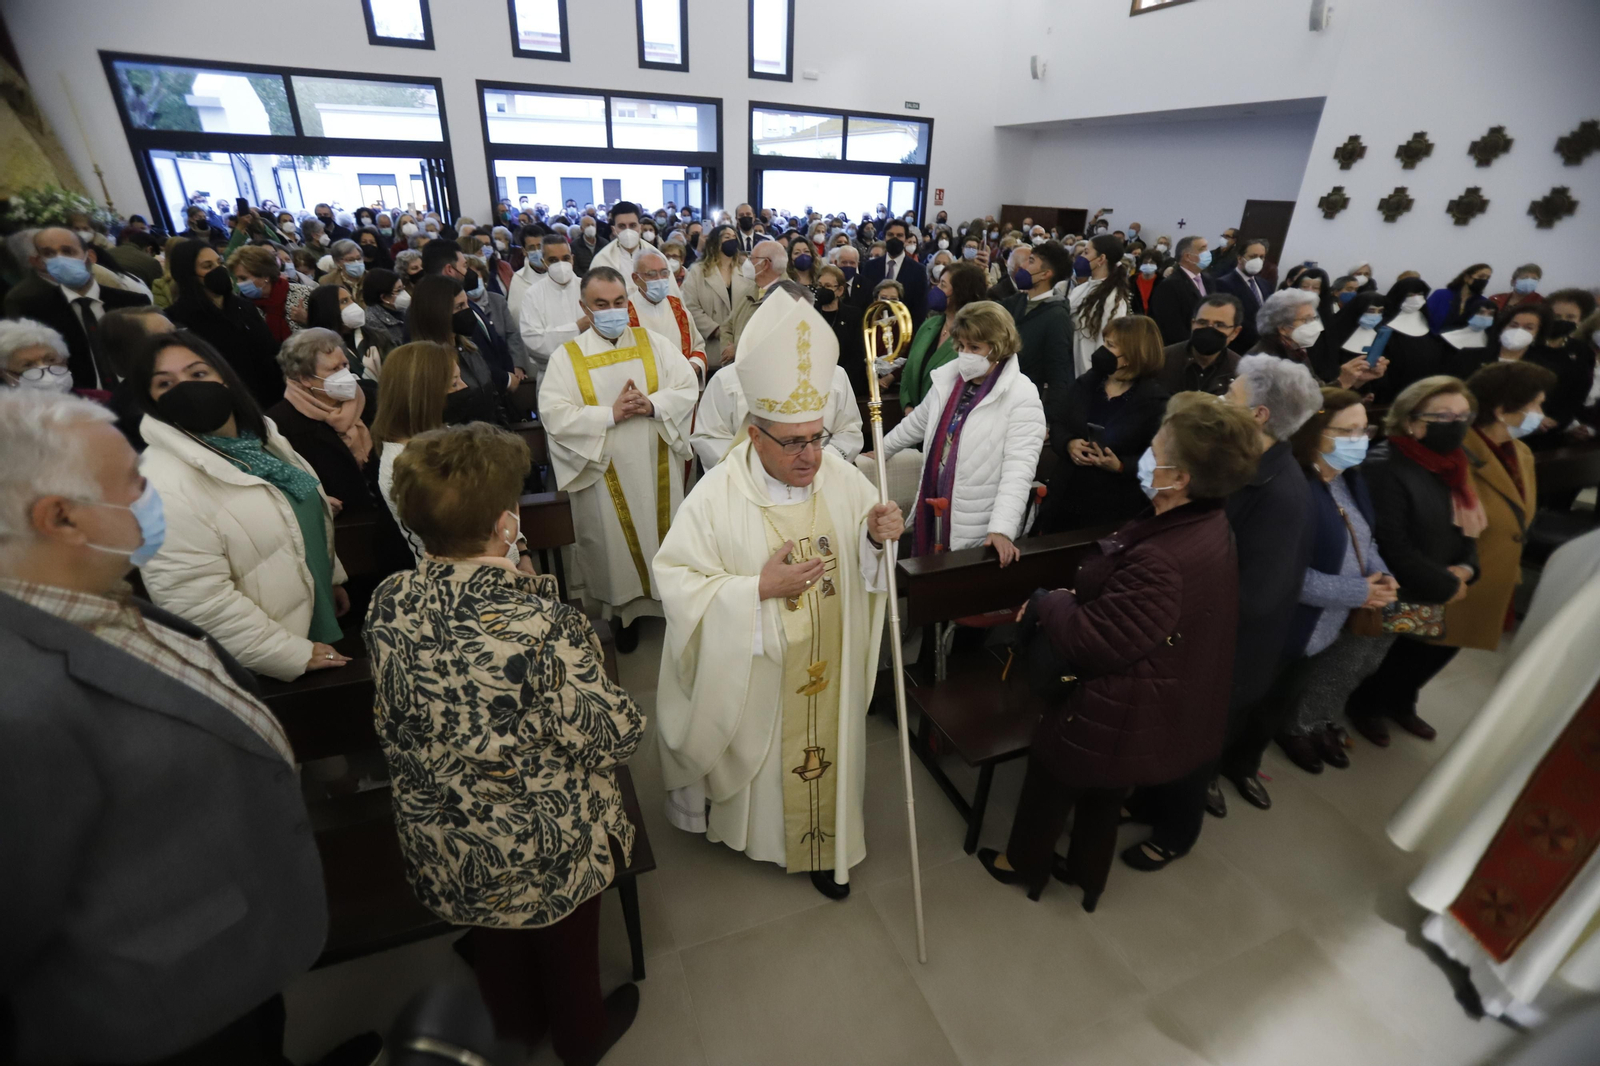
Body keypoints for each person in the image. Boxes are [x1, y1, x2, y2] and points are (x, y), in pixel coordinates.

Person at [0, 390, 332, 1064]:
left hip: (231, 962)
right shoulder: (17, 707)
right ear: (61, 517)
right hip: (160, 1020)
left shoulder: (98, 593)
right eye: (133, 482)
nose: (151, 494)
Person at [363, 423, 643, 1061]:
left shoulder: (390, 601)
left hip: (448, 834)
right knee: (567, 948)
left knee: (497, 941)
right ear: (504, 524)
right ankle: (581, 1039)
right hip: (542, 842)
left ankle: (516, 1028)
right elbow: (613, 735)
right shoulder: (541, 625)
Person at [653, 294, 903, 899]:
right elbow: (678, 581)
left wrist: (875, 538)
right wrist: (757, 590)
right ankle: (765, 837)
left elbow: (868, 567)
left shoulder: (842, 477)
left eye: (817, 438)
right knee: (768, 770)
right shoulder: (716, 495)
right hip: (761, 677)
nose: (811, 457)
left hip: (831, 665)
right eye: (793, 443)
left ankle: (826, 848)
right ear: (754, 434)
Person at [980, 393, 1261, 907]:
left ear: (1180, 477)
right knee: (1105, 793)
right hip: (1144, 694)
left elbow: (1093, 641)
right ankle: (1087, 876)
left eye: (1157, 450)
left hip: (1111, 702)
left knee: (1051, 780)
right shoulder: (1206, 521)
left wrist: (1049, 601)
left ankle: (1022, 864)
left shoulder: (1165, 558)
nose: (1146, 457)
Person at [126, 330, 351, 682]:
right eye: (165, 383)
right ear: (151, 400)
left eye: (198, 373)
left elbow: (298, 514)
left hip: (311, 617)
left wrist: (330, 579)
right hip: (267, 661)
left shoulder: (261, 438)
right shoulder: (160, 482)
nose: (187, 388)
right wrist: (288, 653)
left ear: (224, 377)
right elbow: (196, 600)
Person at [537, 267, 698, 653]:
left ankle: (672, 605)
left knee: (665, 536)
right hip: (603, 469)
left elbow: (686, 385)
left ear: (628, 300)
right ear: (585, 308)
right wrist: (610, 414)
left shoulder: (654, 342)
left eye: (618, 302)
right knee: (614, 548)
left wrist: (652, 404)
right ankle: (624, 616)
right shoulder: (568, 357)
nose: (612, 310)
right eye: (601, 304)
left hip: (655, 459)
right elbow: (554, 413)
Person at [1347, 376, 1482, 747]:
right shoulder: (1384, 465)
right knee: (1382, 657)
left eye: (1463, 416)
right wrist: (1445, 583)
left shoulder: (1454, 462)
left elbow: (1467, 527)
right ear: (1410, 421)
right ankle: (1367, 707)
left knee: (1425, 652)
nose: (1456, 424)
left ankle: (1400, 703)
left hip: (1438, 576)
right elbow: (1391, 543)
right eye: (1443, 416)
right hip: (1399, 583)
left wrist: (1467, 567)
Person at [1273, 388, 1398, 775]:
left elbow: (1365, 539)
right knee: (1259, 702)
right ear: (1314, 432)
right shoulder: (1293, 487)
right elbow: (1284, 574)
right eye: (1347, 431)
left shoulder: (1349, 480)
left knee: (1295, 693)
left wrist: (1383, 576)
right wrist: (1360, 592)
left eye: (1364, 430)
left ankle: (1301, 728)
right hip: (1288, 626)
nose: (1359, 440)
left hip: (1329, 624)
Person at [880, 301, 1044, 562]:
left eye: (975, 348)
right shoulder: (948, 379)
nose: (966, 354)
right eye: (962, 346)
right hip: (937, 503)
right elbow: (917, 423)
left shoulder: (1021, 394)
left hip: (978, 518)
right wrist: (881, 451)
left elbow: (1019, 470)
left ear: (998, 347)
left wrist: (1002, 528)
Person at [1424, 362, 1549, 655]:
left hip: (1488, 579)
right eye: (1536, 405)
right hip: (1445, 584)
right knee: (1410, 663)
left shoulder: (1521, 452)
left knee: (1437, 660)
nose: (1541, 414)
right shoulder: (1454, 453)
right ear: (1502, 410)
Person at [1038, 314, 1171, 534]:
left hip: (1114, 509)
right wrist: (1069, 444)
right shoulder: (1087, 382)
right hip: (1065, 499)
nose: (1102, 351)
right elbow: (1059, 423)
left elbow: (1159, 459)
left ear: (1132, 355)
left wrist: (1120, 466)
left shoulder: (1155, 402)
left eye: (1110, 346)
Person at [3, 227, 152, 391]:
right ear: (39, 262)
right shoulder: (34, 310)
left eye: (67, 251)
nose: (60, 259)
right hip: (78, 394)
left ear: (90, 256)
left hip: (137, 390)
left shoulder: (132, 302)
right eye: (49, 254)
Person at [370, 341, 475, 562]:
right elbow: (456, 541)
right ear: (425, 395)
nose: (464, 387)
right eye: (454, 383)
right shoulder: (400, 465)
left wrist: (520, 549)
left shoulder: (445, 434)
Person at [163, 238, 283, 409]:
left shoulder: (244, 306)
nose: (218, 269)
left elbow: (270, 351)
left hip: (271, 400)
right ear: (188, 274)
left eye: (219, 262)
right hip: (228, 406)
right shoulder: (176, 319)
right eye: (207, 266)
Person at [265, 327, 375, 509]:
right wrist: (314, 499)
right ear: (305, 379)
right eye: (334, 369)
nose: (345, 374)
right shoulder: (279, 424)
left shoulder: (371, 397)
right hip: (342, 519)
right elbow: (281, 481)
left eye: (345, 365)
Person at [898, 261, 988, 411]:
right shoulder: (929, 325)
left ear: (960, 292)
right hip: (913, 417)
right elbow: (908, 372)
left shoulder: (974, 337)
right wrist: (908, 406)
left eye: (943, 285)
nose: (936, 289)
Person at [1003, 241, 1075, 402]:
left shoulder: (1057, 317)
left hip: (1025, 398)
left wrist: (1048, 413)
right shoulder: (1017, 301)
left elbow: (1058, 374)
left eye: (1031, 261)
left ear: (1045, 274)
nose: (1023, 266)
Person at [629, 248, 707, 387]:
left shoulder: (678, 308)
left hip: (681, 386)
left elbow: (698, 345)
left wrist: (694, 365)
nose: (659, 279)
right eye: (651, 274)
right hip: (646, 390)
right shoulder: (626, 313)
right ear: (636, 278)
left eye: (664, 273)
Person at [518, 233, 588, 385]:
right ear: (544, 262)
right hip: (553, 375)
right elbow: (534, 342)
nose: (561, 265)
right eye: (553, 260)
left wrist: (554, 335)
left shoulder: (588, 288)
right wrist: (577, 327)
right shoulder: (533, 294)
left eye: (565, 258)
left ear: (572, 259)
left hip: (591, 369)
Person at [1067, 234, 1132, 377]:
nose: (1081, 257)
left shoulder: (1113, 299)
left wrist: (1095, 377)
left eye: (1086, 252)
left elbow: (1108, 343)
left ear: (1101, 259)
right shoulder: (1080, 289)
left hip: (1090, 372)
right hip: (1072, 368)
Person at [682, 224, 744, 369]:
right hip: (712, 346)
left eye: (734, 237)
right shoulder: (698, 271)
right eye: (727, 237)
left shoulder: (743, 271)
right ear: (715, 242)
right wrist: (716, 330)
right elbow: (690, 306)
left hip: (738, 346)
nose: (732, 241)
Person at [1158, 293, 1245, 396]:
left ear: (1235, 332)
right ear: (1192, 324)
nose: (1209, 330)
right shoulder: (1162, 361)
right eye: (1202, 323)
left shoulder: (1240, 373)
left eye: (1219, 325)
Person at [227, 243, 311, 344]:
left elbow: (327, 329)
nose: (239, 283)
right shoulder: (241, 308)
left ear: (265, 276)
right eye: (237, 278)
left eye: (243, 278)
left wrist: (308, 320)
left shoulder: (304, 294)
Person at [1146, 235, 1216, 344]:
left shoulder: (1208, 280)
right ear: (1188, 256)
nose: (1208, 253)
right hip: (1182, 346)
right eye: (1202, 249)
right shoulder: (1170, 285)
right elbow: (1171, 326)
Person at [813, 264, 868, 396]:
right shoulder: (811, 313)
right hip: (816, 383)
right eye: (820, 286)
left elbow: (857, 355)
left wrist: (838, 380)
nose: (822, 290)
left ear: (840, 290)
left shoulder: (853, 315)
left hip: (846, 383)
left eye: (827, 286)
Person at [859, 218, 928, 323]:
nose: (894, 239)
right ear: (884, 237)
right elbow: (864, 300)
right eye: (890, 235)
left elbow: (920, 309)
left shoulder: (918, 271)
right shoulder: (870, 266)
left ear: (905, 239)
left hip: (904, 328)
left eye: (899, 235)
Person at [1213, 238, 1270, 353]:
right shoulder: (1224, 283)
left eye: (1261, 257)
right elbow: (1230, 317)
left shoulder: (1264, 284)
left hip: (1260, 348)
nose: (1258, 261)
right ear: (1240, 258)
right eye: (1253, 256)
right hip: (1237, 347)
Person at [360, 268, 407, 374]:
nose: (404, 294)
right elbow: (390, 358)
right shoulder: (372, 321)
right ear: (384, 297)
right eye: (399, 290)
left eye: (403, 288)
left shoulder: (403, 310)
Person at [1425, 263, 1493, 333]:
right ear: (1467, 278)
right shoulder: (1441, 295)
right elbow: (1424, 318)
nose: (1484, 280)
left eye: (1487, 278)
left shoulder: (1483, 303)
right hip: (1431, 337)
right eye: (1481, 276)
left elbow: (1482, 330)